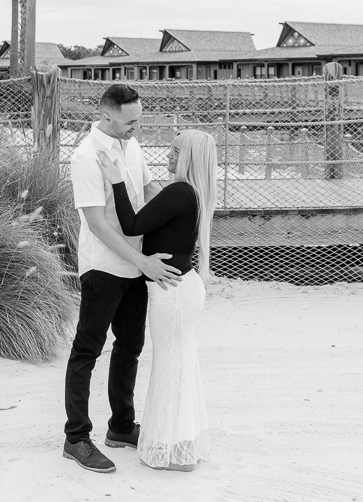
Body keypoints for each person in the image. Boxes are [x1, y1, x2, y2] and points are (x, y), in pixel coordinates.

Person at [63, 84, 183, 474]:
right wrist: (142, 261)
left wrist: (177, 207)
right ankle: (76, 437)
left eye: (139, 120)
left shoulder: (131, 145)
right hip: (103, 267)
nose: (136, 127)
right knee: (87, 350)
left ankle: (121, 427)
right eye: (130, 121)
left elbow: (148, 191)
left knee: (130, 347)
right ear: (107, 114)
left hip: (137, 263)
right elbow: (96, 223)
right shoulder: (85, 157)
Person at [96, 128, 217, 472]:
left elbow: (132, 225)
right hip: (183, 289)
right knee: (180, 366)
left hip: (173, 295)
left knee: (170, 368)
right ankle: (182, 445)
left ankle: (173, 453)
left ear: (189, 157)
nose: (168, 155)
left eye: (175, 151)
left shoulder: (180, 191)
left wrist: (117, 182)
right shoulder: (193, 193)